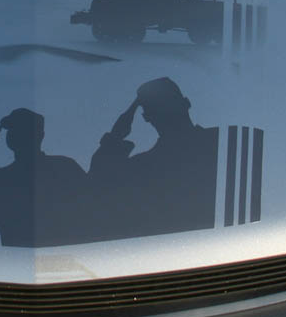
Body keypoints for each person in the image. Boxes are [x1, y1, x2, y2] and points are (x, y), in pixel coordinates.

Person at [89, 77, 219, 239]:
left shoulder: (227, 141)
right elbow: (97, 188)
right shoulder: (141, 168)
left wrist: (120, 127)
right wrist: (116, 135)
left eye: (168, 103)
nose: (166, 112)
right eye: (159, 107)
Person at [0, 108, 89, 247]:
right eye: (13, 130)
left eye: (21, 130)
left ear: (40, 135)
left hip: (71, 255)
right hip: (44, 257)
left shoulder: (0, 180)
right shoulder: (65, 167)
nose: (15, 134)